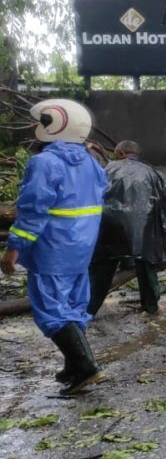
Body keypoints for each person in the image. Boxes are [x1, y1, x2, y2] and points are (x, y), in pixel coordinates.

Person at [1, 99, 108, 394]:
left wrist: (14, 247)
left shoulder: (44, 163)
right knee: (73, 306)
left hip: (52, 249)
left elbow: (33, 210)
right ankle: (73, 366)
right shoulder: (91, 161)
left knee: (51, 309)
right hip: (82, 247)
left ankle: (86, 368)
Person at [88, 141, 166, 316]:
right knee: (146, 265)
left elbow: (92, 195)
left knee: (101, 269)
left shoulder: (107, 170)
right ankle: (151, 306)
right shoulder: (153, 173)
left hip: (110, 227)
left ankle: (88, 309)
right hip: (143, 229)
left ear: (121, 153)